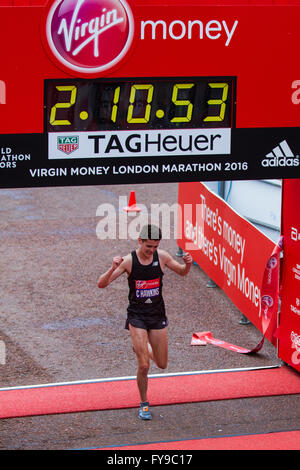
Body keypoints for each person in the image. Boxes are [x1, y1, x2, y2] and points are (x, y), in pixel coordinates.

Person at [97, 224, 193, 420]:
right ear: (140, 241)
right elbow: (101, 284)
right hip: (137, 317)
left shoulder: (163, 257)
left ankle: (142, 348)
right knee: (144, 366)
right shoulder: (129, 261)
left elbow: (182, 272)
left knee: (162, 363)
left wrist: (188, 264)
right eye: (148, 246)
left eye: (155, 247)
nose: (151, 251)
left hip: (157, 315)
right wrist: (112, 268)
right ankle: (144, 403)